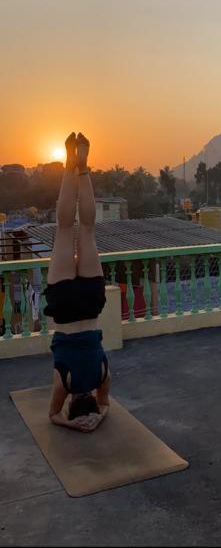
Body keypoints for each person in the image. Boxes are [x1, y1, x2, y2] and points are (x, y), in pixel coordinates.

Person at [47, 132, 110, 433]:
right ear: (73, 402)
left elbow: (107, 405)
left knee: (86, 229)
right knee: (63, 229)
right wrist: (77, 425)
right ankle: (69, 163)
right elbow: (54, 416)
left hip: (90, 304)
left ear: (93, 400)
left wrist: (99, 415)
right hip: (65, 307)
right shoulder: (65, 383)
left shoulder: (102, 376)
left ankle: (81, 166)